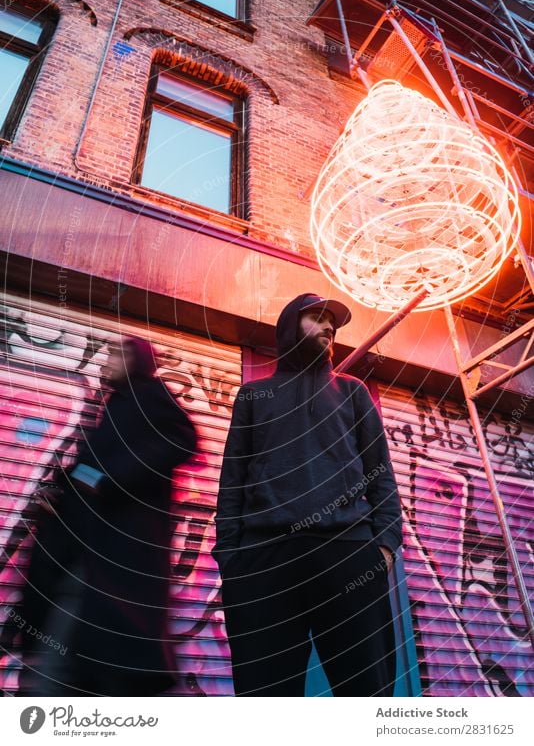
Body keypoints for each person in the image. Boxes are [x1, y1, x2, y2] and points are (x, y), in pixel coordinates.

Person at [214, 293, 402, 697]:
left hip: (347, 553)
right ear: (289, 326)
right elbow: (232, 482)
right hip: (264, 562)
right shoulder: (253, 396)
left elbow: (381, 476)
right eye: (317, 318)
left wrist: (384, 547)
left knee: (367, 693)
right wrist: (231, 559)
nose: (329, 327)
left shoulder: (354, 394)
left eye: (331, 321)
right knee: (265, 700)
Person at [17, 336, 197, 696]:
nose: (106, 361)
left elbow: (181, 439)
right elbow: (91, 472)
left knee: (76, 671)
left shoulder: (148, 395)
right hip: (88, 560)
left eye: (116, 354)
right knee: (72, 668)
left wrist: (110, 480)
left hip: (114, 565)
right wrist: (62, 491)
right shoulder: (117, 407)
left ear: (136, 360)